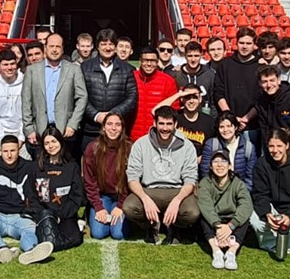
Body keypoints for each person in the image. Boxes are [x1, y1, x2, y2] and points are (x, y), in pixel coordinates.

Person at [124, 106, 200, 244]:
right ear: (155, 123)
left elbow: (190, 179)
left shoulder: (187, 146)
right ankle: (150, 226)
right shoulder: (141, 144)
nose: (165, 128)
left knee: (192, 212)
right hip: (149, 190)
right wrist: (145, 199)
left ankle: (175, 226)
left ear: (175, 124)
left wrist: (177, 200)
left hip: (176, 190)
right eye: (161, 123)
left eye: (169, 124)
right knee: (129, 207)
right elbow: (133, 177)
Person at [0, 135, 53, 265]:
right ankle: (1, 249)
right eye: (5, 151)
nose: (9, 155)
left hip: (19, 216)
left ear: (19, 149)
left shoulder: (31, 167)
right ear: (0, 151)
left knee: (29, 229)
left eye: (13, 150)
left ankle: (32, 250)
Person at [249, 127, 290, 258]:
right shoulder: (261, 164)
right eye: (271, 146)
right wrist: (266, 213)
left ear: (287, 145)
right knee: (255, 221)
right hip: (272, 207)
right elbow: (259, 194)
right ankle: (270, 244)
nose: (275, 150)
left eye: (279, 145)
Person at [21, 32, 87, 160]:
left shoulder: (74, 70)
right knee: (41, 172)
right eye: (51, 46)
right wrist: (29, 129)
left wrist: (73, 124)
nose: (55, 50)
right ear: (45, 48)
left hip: (65, 131)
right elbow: (26, 102)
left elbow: (82, 98)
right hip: (40, 131)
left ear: (63, 49)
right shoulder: (32, 70)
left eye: (58, 46)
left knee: (66, 171)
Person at [80, 28, 138, 153]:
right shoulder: (85, 68)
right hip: (91, 129)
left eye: (111, 44)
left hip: (116, 130)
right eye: (103, 44)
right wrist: (96, 115)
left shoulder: (127, 69)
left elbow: (132, 97)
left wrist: (112, 117)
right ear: (97, 46)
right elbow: (80, 96)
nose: (107, 48)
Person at [196, 150, 253, 270]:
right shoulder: (205, 183)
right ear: (210, 166)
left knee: (244, 218)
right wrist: (218, 227)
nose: (220, 165)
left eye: (223, 161)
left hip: (231, 220)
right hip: (215, 220)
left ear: (230, 166)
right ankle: (216, 251)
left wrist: (231, 226)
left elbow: (246, 205)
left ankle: (231, 252)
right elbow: (206, 206)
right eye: (215, 161)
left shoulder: (238, 184)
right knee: (203, 217)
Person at [34, 125, 84, 250]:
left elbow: (77, 196)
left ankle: (54, 242)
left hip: (65, 214)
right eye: (46, 143)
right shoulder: (37, 167)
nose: (50, 146)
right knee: (45, 235)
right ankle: (49, 242)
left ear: (60, 142)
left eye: (53, 141)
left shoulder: (72, 167)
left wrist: (62, 215)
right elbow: (32, 195)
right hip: (45, 215)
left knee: (76, 238)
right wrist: (47, 215)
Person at [83, 112, 131, 241]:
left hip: (122, 197)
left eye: (117, 125)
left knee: (118, 234)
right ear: (103, 127)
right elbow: (89, 181)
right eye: (109, 124)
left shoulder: (129, 148)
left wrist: (120, 206)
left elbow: (130, 181)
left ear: (122, 128)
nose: (113, 128)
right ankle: (91, 211)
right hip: (102, 196)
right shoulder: (93, 148)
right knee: (98, 233)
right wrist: (98, 207)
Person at [214, 27, 261, 135]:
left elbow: (261, 97)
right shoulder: (225, 65)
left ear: (254, 45)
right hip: (227, 125)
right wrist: (231, 117)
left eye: (248, 43)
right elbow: (218, 93)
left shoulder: (260, 66)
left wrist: (246, 118)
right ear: (236, 43)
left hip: (252, 126)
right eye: (241, 43)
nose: (244, 46)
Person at [129, 46, 178, 141]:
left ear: (157, 62)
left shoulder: (168, 81)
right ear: (140, 61)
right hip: (132, 137)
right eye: (146, 60)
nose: (149, 64)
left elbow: (174, 111)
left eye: (152, 61)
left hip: (156, 138)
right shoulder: (131, 78)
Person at [0, 48, 28, 159]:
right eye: (5, 64)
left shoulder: (26, 82)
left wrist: (21, 138)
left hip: (22, 134)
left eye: (12, 64)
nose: (9, 68)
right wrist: (2, 138)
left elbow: (29, 112)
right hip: (1, 134)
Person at [200, 112, 257, 191]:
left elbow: (250, 178)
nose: (225, 130)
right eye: (221, 127)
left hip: (239, 190)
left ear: (236, 127)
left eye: (229, 126)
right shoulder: (211, 145)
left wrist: (242, 193)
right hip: (216, 189)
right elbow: (205, 173)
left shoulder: (248, 147)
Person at [167, 85, 217, 154]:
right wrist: (179, 95)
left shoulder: (209, 122)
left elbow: (212, 147)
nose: (191, 101)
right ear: (182, 99)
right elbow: (155, 111)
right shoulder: (175, 117)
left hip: (200, 162)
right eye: (187, 97)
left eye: (195, 97)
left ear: (200, 99)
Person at [171, 40, 216, 110]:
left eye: (196, 56)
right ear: (185, 56)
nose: (193, 59)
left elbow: (213, 102)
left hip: (203, 117)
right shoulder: (175, 75)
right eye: (190, 56)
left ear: (201, 55)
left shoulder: (210, 75)